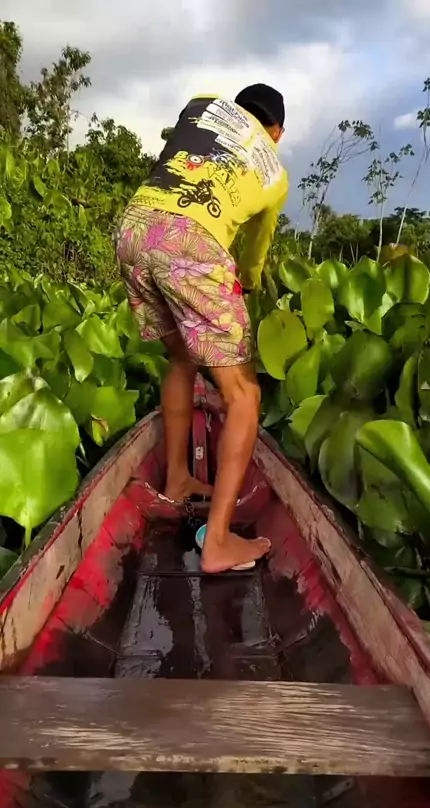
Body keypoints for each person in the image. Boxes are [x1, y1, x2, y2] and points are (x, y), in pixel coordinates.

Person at [116, 84, 288, 573]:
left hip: (133, 229)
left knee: (181, 357)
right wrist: (246, 284)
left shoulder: (201, 105)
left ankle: (176, 479)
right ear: (277, 132)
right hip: (191, 242)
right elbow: (253, 256)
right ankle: (218, 543)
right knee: (244, 395)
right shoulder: (274, 172)